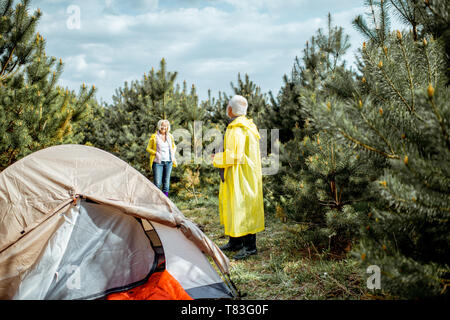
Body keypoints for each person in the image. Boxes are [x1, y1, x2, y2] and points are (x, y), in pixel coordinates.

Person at [212, 95, 265, 260]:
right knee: (237, 207)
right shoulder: (248, 125)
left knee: (243, 208)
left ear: (231, 109)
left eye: (227, 106)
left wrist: (216, 159)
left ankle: (249, 247)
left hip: (240, 175)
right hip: (245, 174)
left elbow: (235, 155)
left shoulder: (237, 128)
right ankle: (235, 242)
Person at [146, 119, 177, 197]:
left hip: (169, 162)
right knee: (157, 183)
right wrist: (156, 153)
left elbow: (174, 146)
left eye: (165, 126)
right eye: (162, 125)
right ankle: (156, 200)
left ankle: (165, 201)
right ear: (159, 126)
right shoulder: (154, 136)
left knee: (166, 183)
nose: (164, 127)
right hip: (158, 162)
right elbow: (148, 148)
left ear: (168, 127)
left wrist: (173, 154)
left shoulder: (170, 136)